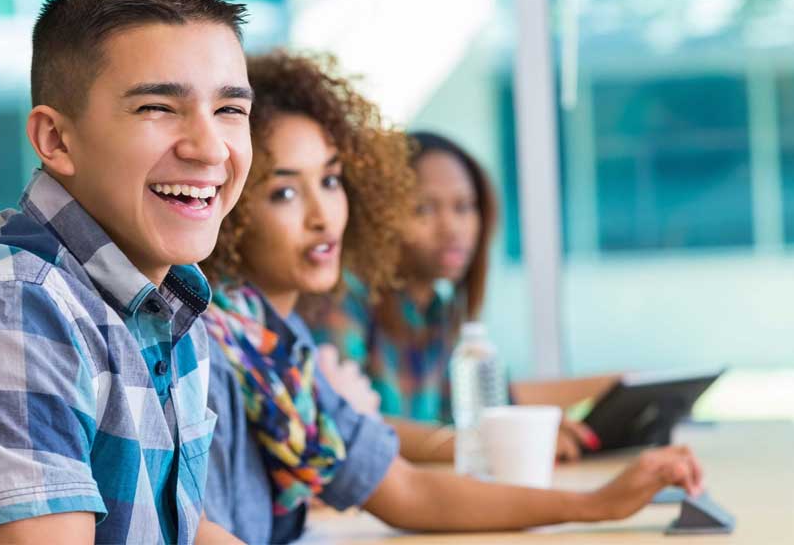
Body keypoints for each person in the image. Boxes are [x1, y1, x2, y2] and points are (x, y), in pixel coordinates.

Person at [199, 50, 704, 543]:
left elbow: (409, 490)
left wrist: (598, 505)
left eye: (330, 181)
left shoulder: (277, 349)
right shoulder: (208, 350)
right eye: (285, 192)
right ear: (230, 201)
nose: (323, 216)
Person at [0, 0, 249, 544]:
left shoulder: (166, 301)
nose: (210, 148)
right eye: (157, 107)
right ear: (56, 139)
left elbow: (172, 526)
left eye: (230, 109)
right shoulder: (10, 309)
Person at [308, 131, 600, 462]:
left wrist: (608, 391)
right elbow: (345, 424)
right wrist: (490, 446)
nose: (452, 228)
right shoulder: (342, 296)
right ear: (378, 218)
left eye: (463, 207)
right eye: (423, 209)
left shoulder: (440, 310)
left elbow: (495, 406)